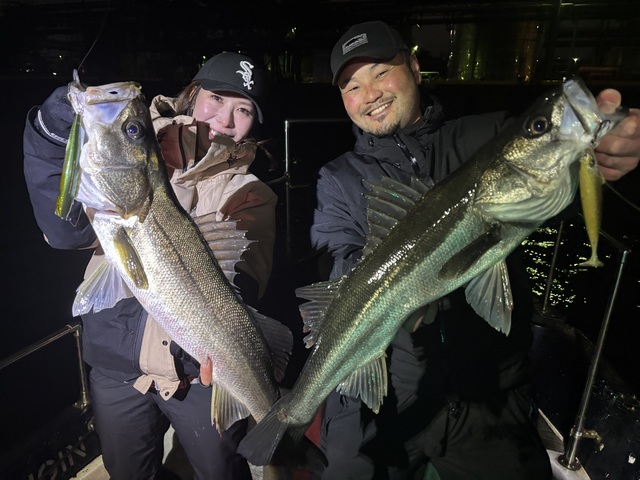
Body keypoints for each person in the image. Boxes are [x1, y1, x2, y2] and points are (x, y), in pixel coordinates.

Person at [310, 20, 640, 480]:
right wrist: (395, 293)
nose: (370, 94)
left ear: (415, 68)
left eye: (382, 73)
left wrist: (609, 157)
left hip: (491, 388)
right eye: (352, 86)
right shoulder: (338, 177)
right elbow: (335, 255)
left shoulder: (489, 135)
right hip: (387, 387)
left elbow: (559, 186)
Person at [23, 52, 278, 479]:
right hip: (118, 366)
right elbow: (65, 231)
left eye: (244, 110)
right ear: (192, 94)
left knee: (221, 471)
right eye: (216, 98)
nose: (225, 118)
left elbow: (246, 274)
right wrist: (50, 134)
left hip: (197, 373)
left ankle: (281, 441)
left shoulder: (250, 191)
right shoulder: (144, 150)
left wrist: (222, 343)